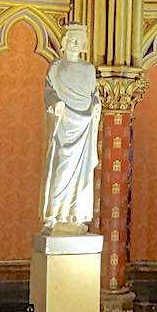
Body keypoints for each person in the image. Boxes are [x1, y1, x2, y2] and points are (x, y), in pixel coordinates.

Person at [41, 24, 101, 232]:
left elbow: (94, 95)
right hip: (65, 124)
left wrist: (95, 105)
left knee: (82, 174)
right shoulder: (56, 67)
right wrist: (55, 102)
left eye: (80, 40)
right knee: (62, 170)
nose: (76, 43)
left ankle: (76, 215)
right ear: (65, 41)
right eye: (72, 39)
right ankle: (55, 214)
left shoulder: (89, 69)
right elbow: (49, 91)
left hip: (84, 126)